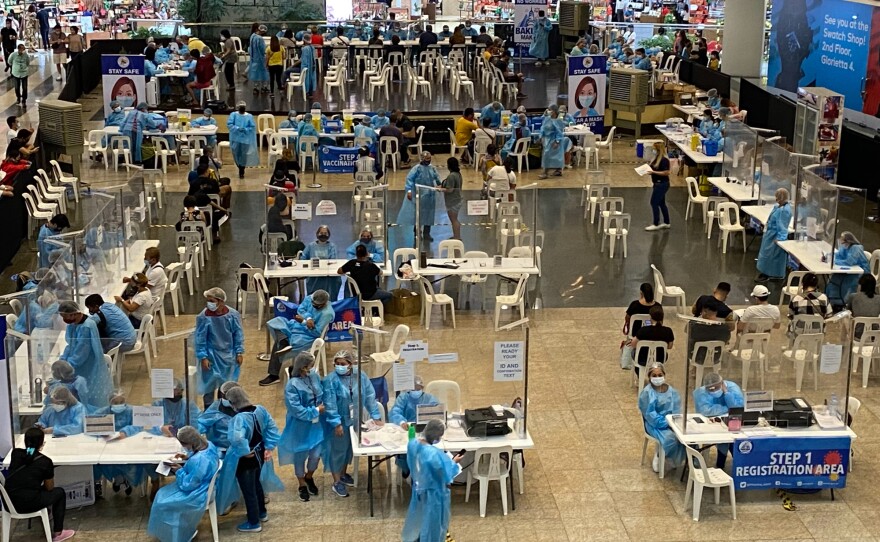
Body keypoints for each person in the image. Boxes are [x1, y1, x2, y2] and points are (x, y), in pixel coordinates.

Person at [322, 350, 383, 497]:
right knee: (338, 450)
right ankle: (336, 482)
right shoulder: (331, 380)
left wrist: (375, 416)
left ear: (351, 364)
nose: (339, 366)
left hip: (355, 418)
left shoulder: (360, 376)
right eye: (336, 363)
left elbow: (369, 395)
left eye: (342, 364)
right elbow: (330, 404)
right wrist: (336, 423)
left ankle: (343, 474)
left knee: (349, 448)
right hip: (339, 420)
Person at [146, 426, 221, 541]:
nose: (183, 447)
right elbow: (200, 463)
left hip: (197, 493)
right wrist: (187, 456)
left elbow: (188, 485)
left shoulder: (199, 460)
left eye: (184, 444)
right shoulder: (208, 445)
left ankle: (176, 535)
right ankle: (178, 531)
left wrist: (178, 470)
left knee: (162, 501)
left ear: (191, 443)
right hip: (204, 485)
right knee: (161, 494)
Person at [224, 386, 283, 532]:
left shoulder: (238, 419)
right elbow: (272, 428)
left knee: (248, 490)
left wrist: (243, 451)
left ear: (232, 403)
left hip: (246, 459)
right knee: (257, 484)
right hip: (260, 453)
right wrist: (268, 446)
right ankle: (262, 513)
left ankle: (253, 522)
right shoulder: (260, 410)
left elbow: (236, 438)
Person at [4, 428, 75, 542]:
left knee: (32, 489)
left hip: (9, 502)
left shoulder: (16, 454)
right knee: (59, 493)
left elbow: (29, 456)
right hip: (28, 504)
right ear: (42, 443)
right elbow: (50, 488)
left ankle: (48, 513)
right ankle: (58, 533)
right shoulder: (45, 462)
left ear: (25, 441)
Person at [402, 419, 463, 542]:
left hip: (418, 491)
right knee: (433, 526)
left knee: (419, 519)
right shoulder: (434, 455)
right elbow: (446, 474)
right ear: (437, 436)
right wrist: (454, 462)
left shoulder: (412, 444)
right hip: (434, 495)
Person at [261, 290, 334, 386]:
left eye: (316, 305)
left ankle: (274, 374)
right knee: (276, 322)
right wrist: (308, 318)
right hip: (296, 325)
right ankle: (284, 341)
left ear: (324, 304)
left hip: (307, 335)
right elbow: (301, 309)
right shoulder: (310, 298)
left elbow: (317, 333)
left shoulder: (327, 313)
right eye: (312, 303)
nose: (313, 305)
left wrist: (304, 322)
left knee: (280, 345)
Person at [278, 352, 325, 502]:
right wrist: (315, 410)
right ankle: (301, 484)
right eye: (308, 367)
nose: (311, 370)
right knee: (300, 454)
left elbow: (321, 392)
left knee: (316, 454)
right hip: (299, 426)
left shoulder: (314, 377)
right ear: (302, 367)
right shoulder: (292, 386)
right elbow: (296, 410)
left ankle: (309, 476)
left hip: (315, 424)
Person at [195, 287, 245, 408]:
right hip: (211, 356)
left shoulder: (232, 315)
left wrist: (239, 351)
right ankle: (209, 410)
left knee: (226, 386)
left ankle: (223, 409)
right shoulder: (203, 316)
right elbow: (200, 338)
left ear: (221, 301)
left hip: (228, 356)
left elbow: (238, 334)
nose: (209, 304)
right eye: (208, 300)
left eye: (212, 301)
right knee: (209, 385)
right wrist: (203, 357)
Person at [58, 300, 112, 408]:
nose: (64, 320)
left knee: (87, 396)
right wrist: (62, 360)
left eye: (65, 316)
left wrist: (67, 365)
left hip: (88, 365)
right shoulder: (73, 324)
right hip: (77, 364)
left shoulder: (86, 327)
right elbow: (71, 344)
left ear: (73, 314)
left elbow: (81, 353)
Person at [93, 391, 145, 494]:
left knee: (126, 460)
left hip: (128, 444)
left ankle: (122, 479)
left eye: (121, 401)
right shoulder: (104, 411)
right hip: (108, 445)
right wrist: (101, 431)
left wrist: (125, 432)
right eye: (115, 402)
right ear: (110, 402)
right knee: (101, 460)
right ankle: (118, 479)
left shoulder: (131, 411)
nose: (119, 405)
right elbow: (91, 423)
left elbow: (139, 424)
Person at [638, 362, 684, 473]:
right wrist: (666, 423)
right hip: (655, 424)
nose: (657, 378)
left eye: (660, 375)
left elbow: (677, 408)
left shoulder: (672, 391)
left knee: (684, 436)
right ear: (649, 377)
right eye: (654, 375)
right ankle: (660, 455)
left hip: (672, 422)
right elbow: (650, 415)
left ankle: (676, 458)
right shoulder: (647, 393)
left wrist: (675, 422)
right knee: (670, 438)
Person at [693, 372, 743, 468]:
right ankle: (721, 464)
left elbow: (738, 408)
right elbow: (706, 410)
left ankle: (735, 464)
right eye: (710, 389)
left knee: (733, 438)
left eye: (716, 387)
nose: (713, 390)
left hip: (732, 422)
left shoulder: (733, 388)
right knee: (723, 439)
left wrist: (727, 394)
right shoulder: (701, 392)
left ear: (722, 383)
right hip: (711, 424)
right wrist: (727, 407)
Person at [399, 151, 441, 241]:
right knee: (418, 214)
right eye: (426, 159)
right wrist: (409, 191)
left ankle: (427, 234)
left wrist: (440, 185)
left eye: (429, 159)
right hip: (419, 195)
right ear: (422, 159)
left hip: (430, 196)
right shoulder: (416, 169)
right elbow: (409, 180)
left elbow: (437, 178)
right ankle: (417, 233)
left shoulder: (432, 168)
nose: (428, 161)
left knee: (429, 215)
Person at [755, 188, 792, 282]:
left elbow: (782, 225)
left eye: (778, 197)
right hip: (769, 234)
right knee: (766, 253)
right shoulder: (777, 207)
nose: (776, 199)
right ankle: (765, 271)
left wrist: (781, 238)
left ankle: (773, 274)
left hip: (775, 236)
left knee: (773, 256)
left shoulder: (784, 210)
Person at [827, 231, 871, 308]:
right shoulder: (845, 246)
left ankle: (843, 301)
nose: (840, 240)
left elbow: (849, 262)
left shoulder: (856, 248)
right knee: (836, 276)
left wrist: (834, 261)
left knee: (845, 281)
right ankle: (832, 298)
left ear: (848, 240)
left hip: (860, 272)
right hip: (849, 270)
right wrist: (828, 256)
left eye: (842, 239)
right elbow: (838, 254)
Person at [686, 299, 731, 365]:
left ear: (704, 311)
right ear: (716, 312)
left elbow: (687, 332)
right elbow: (726, 342)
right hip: (716, 358)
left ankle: (694, 371)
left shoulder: (694, 326)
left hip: (697, 358)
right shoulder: (725, 328)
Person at [301, 225, 341, 295]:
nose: (323, 235)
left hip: (327, 274)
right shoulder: (311, 246)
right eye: (321, 233)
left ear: (329, 235)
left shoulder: (332, 246)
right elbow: (303, 258)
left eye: (325, 233)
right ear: (317, 234)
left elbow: (333, 260)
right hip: (313, 274)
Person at [631, 305, 674, 369]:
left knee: (634, 351)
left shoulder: (643, 330)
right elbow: (670, 346)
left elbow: (633, 344)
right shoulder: (668, 331)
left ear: (650, 317)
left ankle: (639, 373)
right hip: (660, 359)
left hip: (642, 359)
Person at [227, 101, 259, 179]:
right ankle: (239, 165)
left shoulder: (249, 116)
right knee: (236, 153)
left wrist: (245, 129)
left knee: (244, 155)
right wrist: (237, 128)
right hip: (235, 138)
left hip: (245, 139)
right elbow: (229, 124)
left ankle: (242, 170)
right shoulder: (233, 115)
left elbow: (252, 127)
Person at [644, 141, 671, 231]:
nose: (653, 151)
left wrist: (654, 172)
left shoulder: (664, 160)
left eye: (654, 149)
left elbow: (666, 172)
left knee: (654, 202)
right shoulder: (655, 159)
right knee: (661, 203)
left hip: (662, 184)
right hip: (657, 183)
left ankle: (656, 223)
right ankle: (667, 222)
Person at [538, 105, 565, 179]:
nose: (549, 111)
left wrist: (557, 141)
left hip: (554, 140)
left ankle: (547, 172)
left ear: (555, 111)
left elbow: (559, 132)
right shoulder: (547, 119)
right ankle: (553, 171)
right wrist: (541, 136)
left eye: (550, 110)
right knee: (546, 156)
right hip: (547, 140)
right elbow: (542, 128)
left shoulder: (558, 121)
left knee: (555, 157)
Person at [441, 156, 463, 239]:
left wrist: (441, 190)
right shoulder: (458, 174)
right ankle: (456, 236)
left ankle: (457, 237)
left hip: (452, 200)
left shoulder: (451, 176)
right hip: (458, 199)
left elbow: (450, 190)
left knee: (454, 220)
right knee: (455, 220)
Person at [293, 32, 317, 96]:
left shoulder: (305, 49)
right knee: (311, 79)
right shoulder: (312, 47)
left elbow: (304, 61)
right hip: (312, 67)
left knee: (306, 79)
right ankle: (310, 92)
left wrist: (302, 69)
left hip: (306, 68)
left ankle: (306, 91)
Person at [248, 24, 269, 93]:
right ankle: (264, 87)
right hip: (260, 58)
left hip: (253, 58)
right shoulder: (260, 39)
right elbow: (263, 49)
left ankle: (255, 87)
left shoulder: (252, 36)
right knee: (263, 73)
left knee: (255, 73)